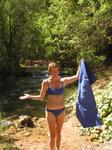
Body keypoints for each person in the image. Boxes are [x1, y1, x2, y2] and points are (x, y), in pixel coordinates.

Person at [19, 62, 80, 150]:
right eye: (53, 72)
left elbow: (77, 76)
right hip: (50, 111)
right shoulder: (46, 83)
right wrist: (29, 96)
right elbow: (41, 97)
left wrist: (81, 63)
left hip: (61, 111)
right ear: (49, 72)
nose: (55, 73)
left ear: (58, 71)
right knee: (53, 135)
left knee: (59, 132)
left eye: (56, 71)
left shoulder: (64, 81)